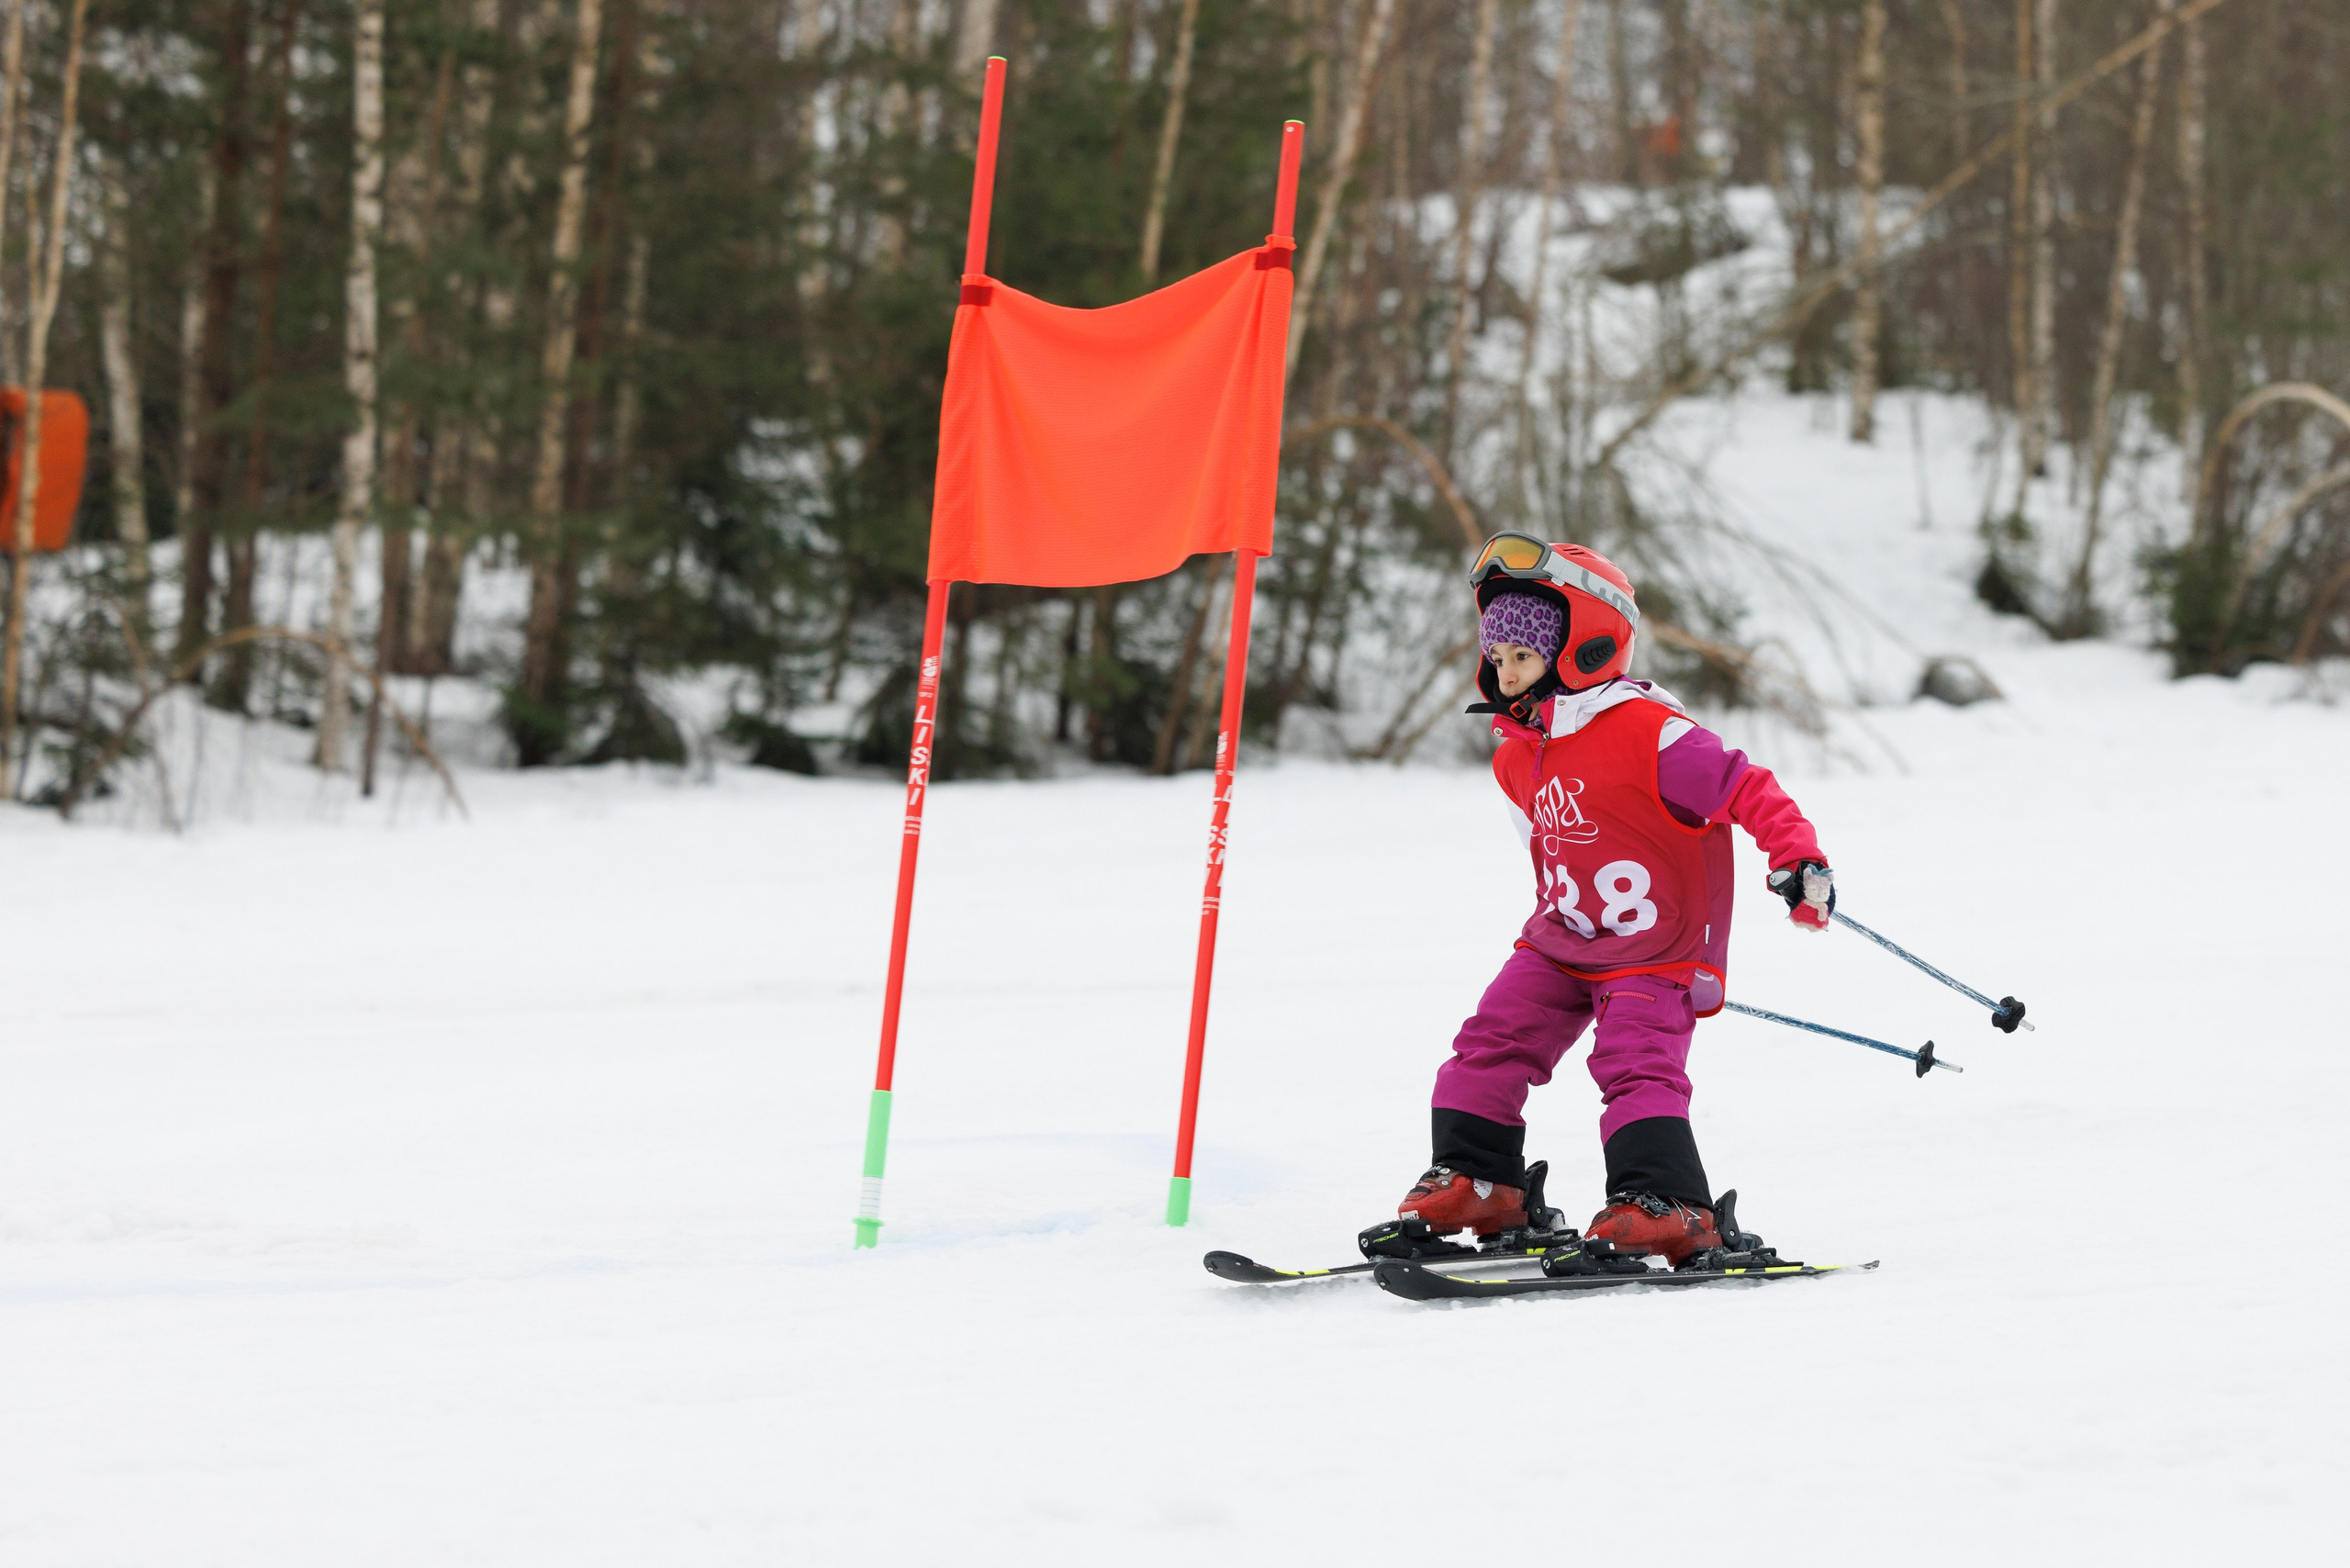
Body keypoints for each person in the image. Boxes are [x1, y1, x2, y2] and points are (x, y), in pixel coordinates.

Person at [1393, 534, 1835, 1265]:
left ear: (1584, 645)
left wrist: (1797, 858)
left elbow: (1746, 788)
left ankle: (1669, 1204)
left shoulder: (1652, 734)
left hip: (1652, 952)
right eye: (1497, 658)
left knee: (1635, 1063)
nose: (1504, 674)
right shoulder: (1515, 752)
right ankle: (1479, 1182)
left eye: (1522, 656)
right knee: (1490, 1038)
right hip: (1562, 939)